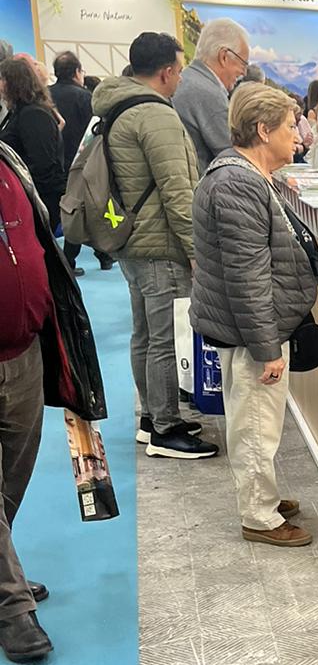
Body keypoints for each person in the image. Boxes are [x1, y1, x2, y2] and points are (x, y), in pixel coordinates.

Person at [190, 84, 318, 547]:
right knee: (255, 425)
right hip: (251, 334)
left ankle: (263, 495)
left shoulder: (244, 176)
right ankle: (260, 516)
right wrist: (267, 349)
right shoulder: (238, 184)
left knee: (258, 420)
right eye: (289, 128)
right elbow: (248, 277)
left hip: (253, 327)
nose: (297, 137)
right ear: (263, 131)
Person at [0, 135, 106, 664]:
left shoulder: (8, 160)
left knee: (11, 479)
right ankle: (11, 606)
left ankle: (4, 573)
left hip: (24, 351)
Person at [95, 32, 216, 459]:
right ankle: (166, 427)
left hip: (130, 238)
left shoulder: (117, 107)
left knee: (145, 333)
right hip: (159, 243)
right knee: (163, 337)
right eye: (179, 70)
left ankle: (151, 417)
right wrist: (196, 250)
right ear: (166, 71)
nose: (180, 78)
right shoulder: (156, 115)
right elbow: (177, 190)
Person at [0, 58, 67, 269]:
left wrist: (23, 191)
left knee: (41, 256)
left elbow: (43, 163)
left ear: (12, 81)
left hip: (39, 196)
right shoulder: (20, 112)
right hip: (30, 194)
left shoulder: (33, 114)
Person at [49, 51, 107, 273]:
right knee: (83, 210)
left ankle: (95, 255)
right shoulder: (85, 97)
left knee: (67, 211)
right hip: (81, 163)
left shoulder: (45, 95)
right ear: (76, 72)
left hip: (54, 165)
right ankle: (76, 259)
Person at [173, 16, 251, 171]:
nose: (244, 72)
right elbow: (234, 157)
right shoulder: (208, 93)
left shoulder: (187, 79)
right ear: (224, 56)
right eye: (243, 63)